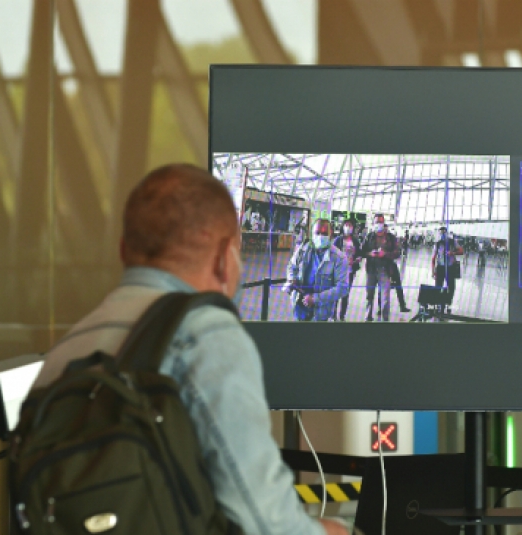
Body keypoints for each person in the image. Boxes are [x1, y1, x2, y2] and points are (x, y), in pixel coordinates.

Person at [28, 164, 347, 535]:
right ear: (224, 257)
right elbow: (264, 519)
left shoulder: (66, 349)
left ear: (123, 250)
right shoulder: (205, 334)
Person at [284, 218, 349, 322]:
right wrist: (292, 279)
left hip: (320, 313)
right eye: (317, 233)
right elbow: (292, 266)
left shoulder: (339, 258)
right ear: (312, 234)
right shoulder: (303, 249)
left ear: (331, 235)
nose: (320, 236)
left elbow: (342, 288)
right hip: (299, 306)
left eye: (324, 233)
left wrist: (316, 299)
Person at [362, 213, 401, 322]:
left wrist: (385, 254)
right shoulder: (369, 236)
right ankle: (368, 316)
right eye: (377, 222)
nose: (379, 224)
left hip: (385, 270)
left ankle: (385, 318)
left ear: (384, 223)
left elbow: (397, 253)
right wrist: (370, 254)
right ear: (373, 223)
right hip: (371, 270)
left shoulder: (391, 238)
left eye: (381, 222)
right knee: (369, 295)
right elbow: (362, 251)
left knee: (385, 297)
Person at [333, 219, 361, 321]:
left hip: (350, 271)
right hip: (339, 271)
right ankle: (333, 314)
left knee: (345, 294)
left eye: (350, 225)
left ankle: (342, 315)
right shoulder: (338, 240)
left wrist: (356, 259)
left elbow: (359, 254)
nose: (348, 227)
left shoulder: (355, 241)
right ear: (343, 226)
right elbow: (332, 253)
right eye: (346, 225)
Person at [431, 226, 464, 313]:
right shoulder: (437, 244)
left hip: (450, 268)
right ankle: (438, 303)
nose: (442, 235)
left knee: (451, 287)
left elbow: (461, 251)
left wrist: (453, 253)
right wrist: (433, 271)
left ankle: (448, 302)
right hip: (440, 268)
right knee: (438, 286)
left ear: (447, 233)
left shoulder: (453, 242)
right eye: (441, 233)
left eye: (444, 233)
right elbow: (433, 258)